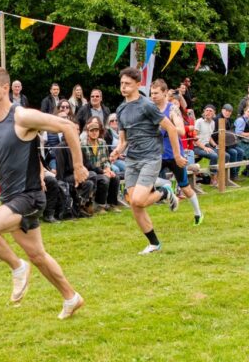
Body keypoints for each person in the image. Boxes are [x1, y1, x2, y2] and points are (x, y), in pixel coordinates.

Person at [0, 66, 86, 319]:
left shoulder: (22, 116)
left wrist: (79, 165)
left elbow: (68, 127)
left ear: (5, 88)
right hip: (11, 197)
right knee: (38, 256)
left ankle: (17, 267)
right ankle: (71, 297)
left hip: (29, 197)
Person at [110, 67, 185, 255]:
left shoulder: (147, 105)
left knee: (138, 200)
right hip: (132, 160)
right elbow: (123, 140)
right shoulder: (120, 109)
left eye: (127, 84)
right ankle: (154, 243)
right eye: (121, 84)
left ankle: (164, 192)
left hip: (151, 157)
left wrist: (177, 156)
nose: (123, 87)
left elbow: (171, 128)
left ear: (137, 84)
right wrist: (117, 151)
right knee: (134, 204)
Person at [150, 80, 203, 224]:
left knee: (185, 186)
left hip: (175, 154)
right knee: (147, 179)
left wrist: (166, 126)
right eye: (151, 93)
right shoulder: (150, 109)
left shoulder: (172, 109)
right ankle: (167, 184)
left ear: (165, 93)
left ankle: (198, 213)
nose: (153, 96)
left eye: (156, 93)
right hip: (157, 154)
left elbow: (180, 131)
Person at [80, 116, 121, 213]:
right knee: (104, 179)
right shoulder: (83, 144)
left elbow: (106, 160)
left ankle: (112, 204)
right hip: (90, 172)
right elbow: (87, 164)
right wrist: (103, 172)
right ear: (88, 132)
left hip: (102, 170)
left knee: (115, 177)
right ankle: (100, 205)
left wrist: (108, 169)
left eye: (96, 131)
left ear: (99, 132)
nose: (94, 133)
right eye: (92, 131)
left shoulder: (102, 142)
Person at [194, 105, 219, 185]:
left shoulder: (213, 122)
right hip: (197, 147)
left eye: (210, 111)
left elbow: (209, 136)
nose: (208, 112)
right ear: (204, 112)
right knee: (214, 156)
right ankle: (213, 179)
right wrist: (204, 148)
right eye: (206, 110)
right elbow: (194, 138)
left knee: (225, 155)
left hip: (206, 145)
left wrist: (215, 145)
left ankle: (221, 176)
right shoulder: (199, 121)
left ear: (214, 113)